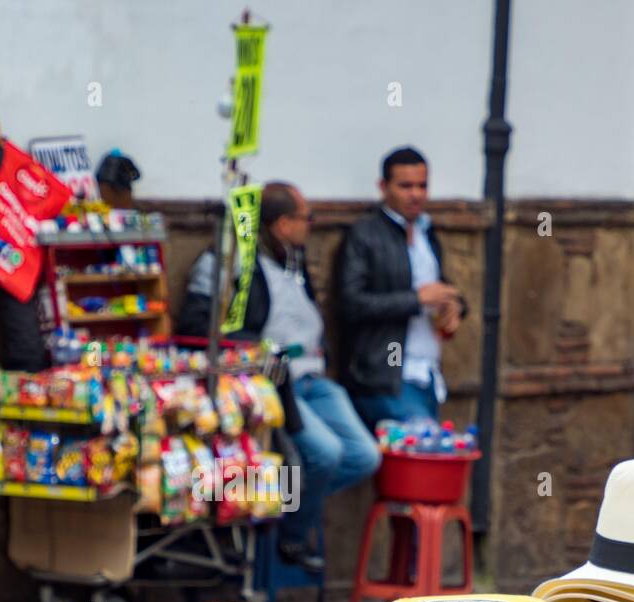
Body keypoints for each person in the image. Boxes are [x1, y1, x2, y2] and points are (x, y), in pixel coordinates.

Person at [177, 182, 380, 572]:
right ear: (283, 223)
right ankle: (291, 537)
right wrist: (260, 350)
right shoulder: (228, 262)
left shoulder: (292, 260)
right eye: (307, 218)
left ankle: (285, 511)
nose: (311, 226)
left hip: (314, 378)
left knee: (363, 455)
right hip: (276, 384)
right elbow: (198, 323)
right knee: (324, 453)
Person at [336, 146, 466, 429]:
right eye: (405, 186)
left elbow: (443, 288)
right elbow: (351, 303)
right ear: (383, 187)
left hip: (428, 372)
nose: (416, 194)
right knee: (421, 458)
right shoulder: (365, 234)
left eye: (422, 185)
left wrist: (455, 307)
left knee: (420, 462)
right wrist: (416, 300)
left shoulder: (426, 232)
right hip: (385, 376)